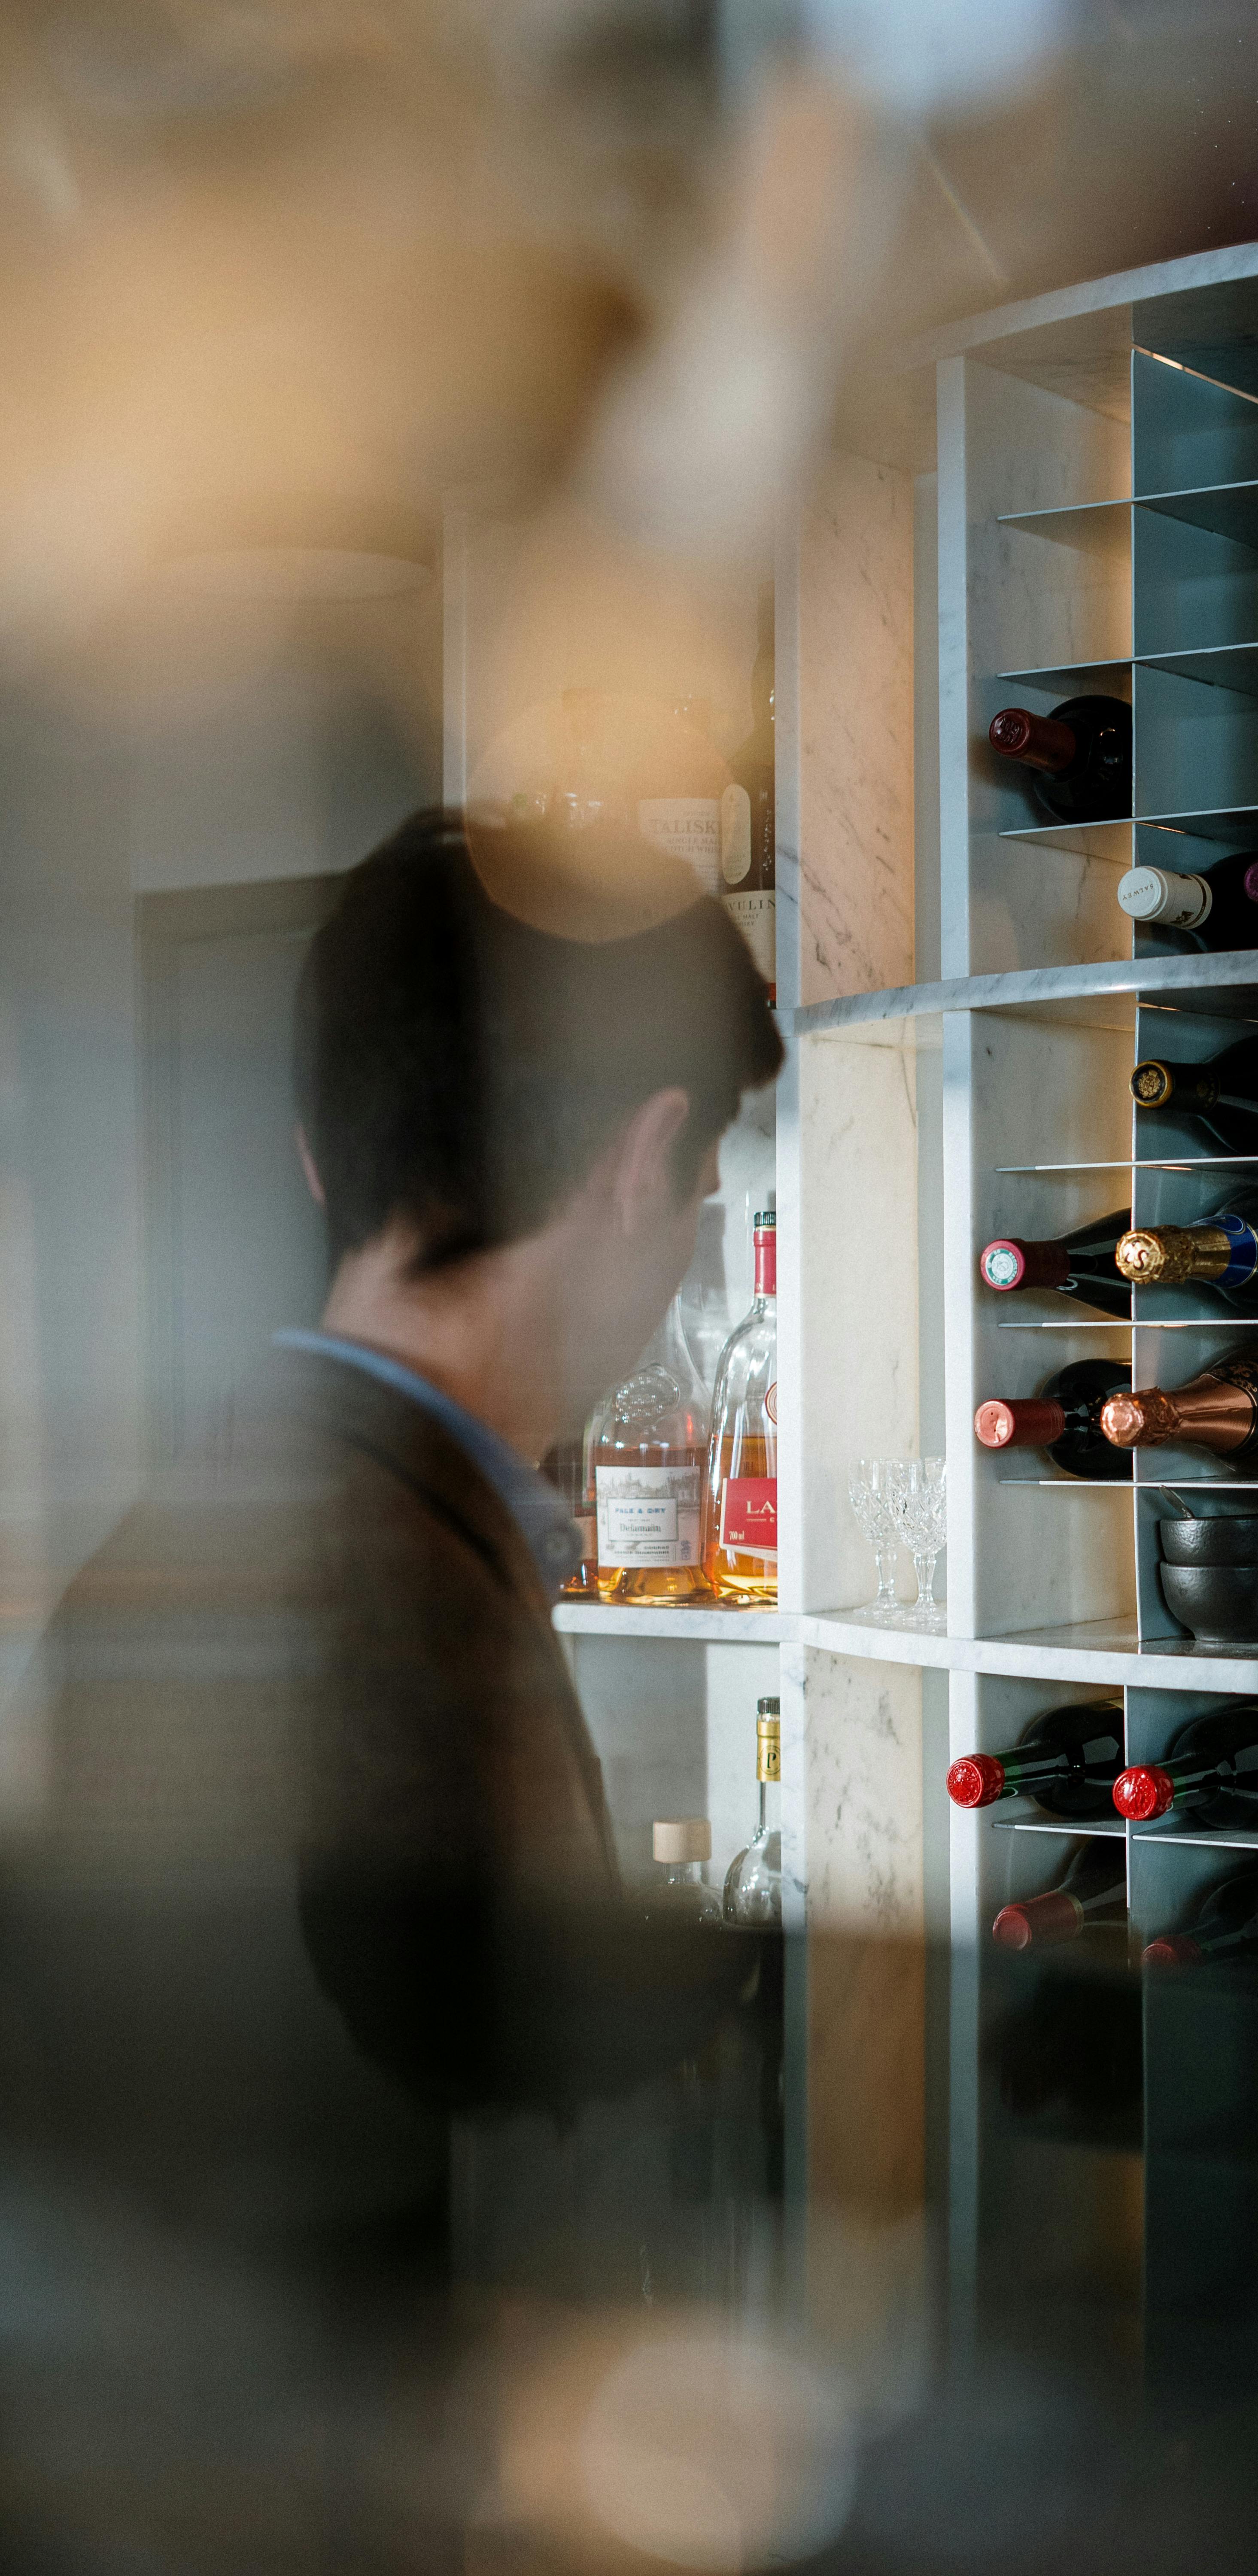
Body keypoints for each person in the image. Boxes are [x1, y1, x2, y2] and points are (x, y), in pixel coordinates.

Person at [0, 805, 784, 2570]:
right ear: (644, 1161)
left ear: (312, 1155)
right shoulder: (366, 1579)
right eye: (704, 1200)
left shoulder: (260, 1507)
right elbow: (432, 2203)